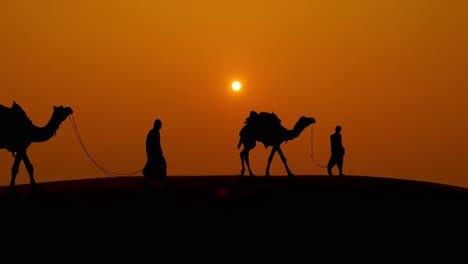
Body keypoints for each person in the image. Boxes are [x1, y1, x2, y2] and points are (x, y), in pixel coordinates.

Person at [143, 118, 167, 185]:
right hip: (154, 153)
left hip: (154, 152)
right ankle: (163, 179)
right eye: (160, 125)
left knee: (154, 165)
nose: (161, 126)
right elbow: (155, 144)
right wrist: (158, 152)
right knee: (162, 164)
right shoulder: (154, 132)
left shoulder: (154, 132)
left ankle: (159, 178)